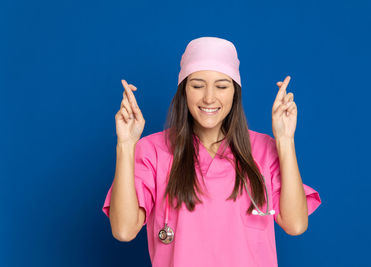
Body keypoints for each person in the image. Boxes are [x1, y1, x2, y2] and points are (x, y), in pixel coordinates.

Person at [102, 36, 322, 267]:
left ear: (235, 93)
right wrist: (126, 144)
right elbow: (124, 230)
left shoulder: (263, 149)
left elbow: (296, 224)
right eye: (197, 85)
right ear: (183, 90)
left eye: (221, 86)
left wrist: (285, 140)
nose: (209, 97)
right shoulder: (152, 151)